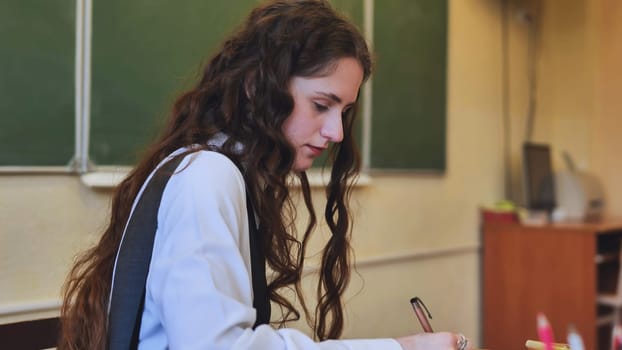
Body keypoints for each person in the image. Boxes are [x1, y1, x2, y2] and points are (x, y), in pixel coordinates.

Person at [59, 1, 473, 349]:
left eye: (344, 112)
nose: (337, 133)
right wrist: (400, 348)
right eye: (321, 105)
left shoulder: (221, 171)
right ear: (259, 86)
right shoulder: (207, 179)